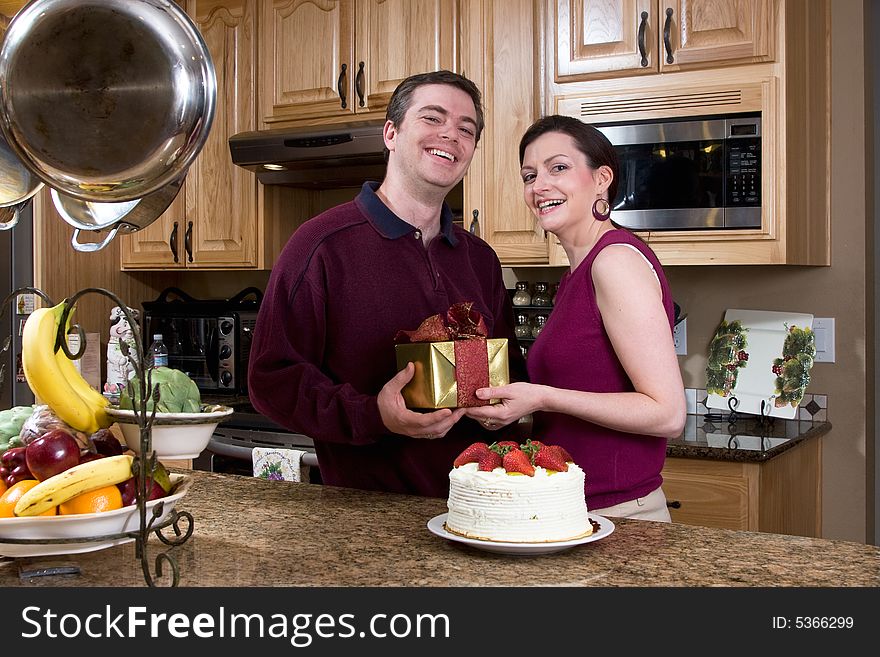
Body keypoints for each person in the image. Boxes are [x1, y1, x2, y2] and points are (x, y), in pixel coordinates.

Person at [248, 70, 526, 497]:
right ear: (391, 133)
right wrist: (374, 414)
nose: (451, 134)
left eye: (465, 129)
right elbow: (272, 380)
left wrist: (499, 407)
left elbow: (508, 374)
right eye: (433, 118)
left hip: (481, 508)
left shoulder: (480, 259)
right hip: (368, 519)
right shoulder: (320, 245)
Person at [465, 115, 686, 521]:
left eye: (559, 168)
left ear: (601, 178)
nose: (539, 186)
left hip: (621, 516)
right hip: (575, 508)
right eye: (529, 176)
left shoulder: (614, 261)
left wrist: (544, 397)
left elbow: (667, 414)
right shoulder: (576, 275)